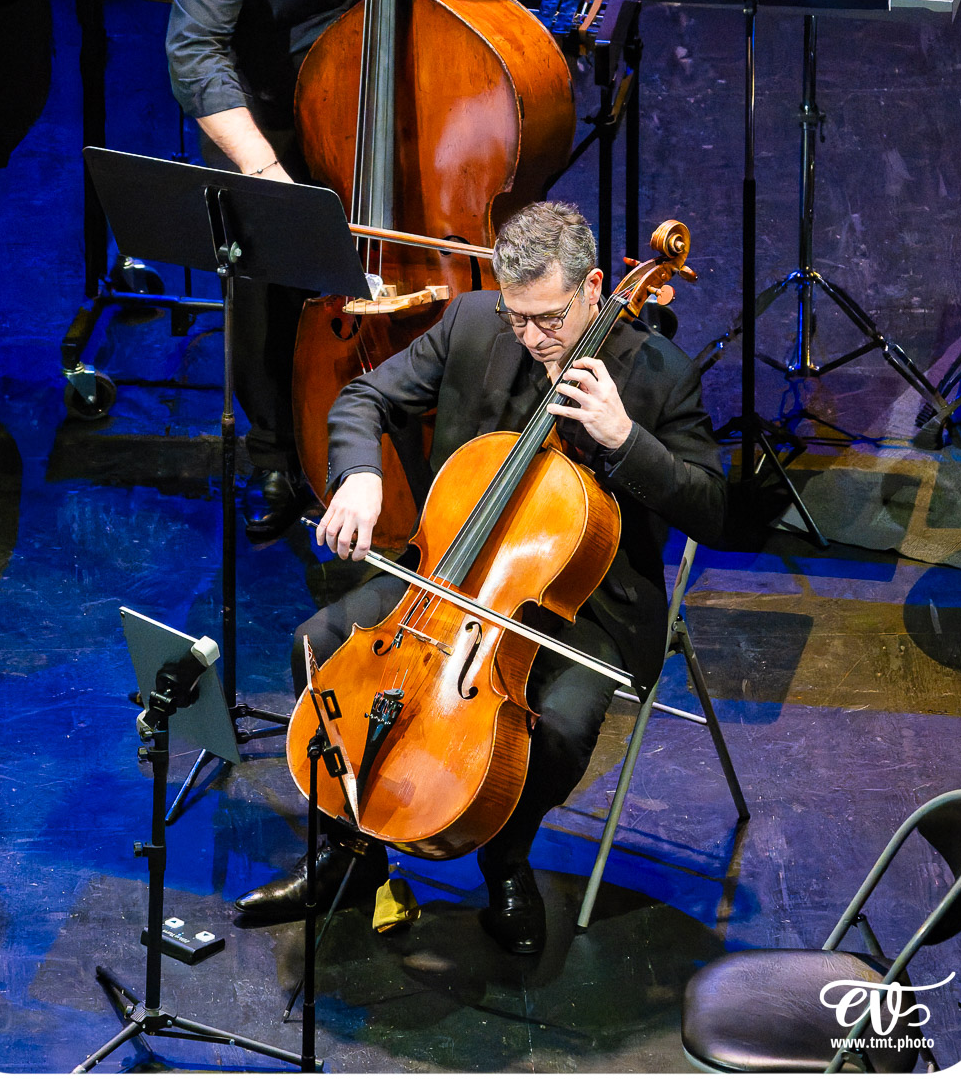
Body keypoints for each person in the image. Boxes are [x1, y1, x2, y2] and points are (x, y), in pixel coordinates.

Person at [234, 200, 728, 954]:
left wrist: (624, 438)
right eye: (516, 317)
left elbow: (717, 510)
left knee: (551, 732)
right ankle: (350, 852)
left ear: (595, 286)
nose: (531, 338)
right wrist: (360, 477)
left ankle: (504, 856)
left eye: (549, 319)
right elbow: (365, 397)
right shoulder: (472, 323)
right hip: (451, 577)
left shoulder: (659, 376)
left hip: (584, 605)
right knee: (317, 647)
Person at [165, 0, 550, 542]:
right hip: (272, 113)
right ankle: (277, 453)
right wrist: (268, 172)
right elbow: (193, 50)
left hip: (386, 77)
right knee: (270, 288)